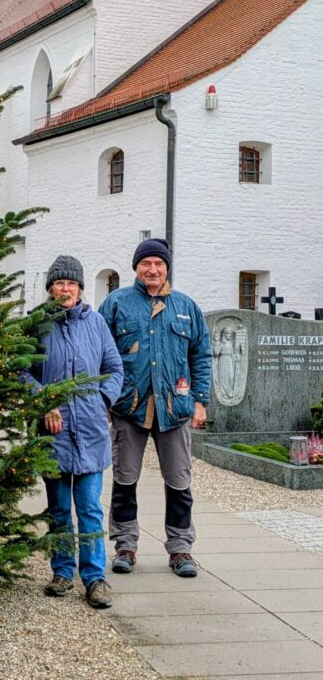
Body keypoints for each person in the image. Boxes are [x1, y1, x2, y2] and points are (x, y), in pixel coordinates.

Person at [98, 238, 211, 579]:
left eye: (158, 263)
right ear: (136, 267)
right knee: (124, 480)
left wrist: (200, 400)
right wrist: (104, 399)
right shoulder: (116, 304)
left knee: (179, 483)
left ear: (167, 267)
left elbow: (201, 355)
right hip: (128, 408)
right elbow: (100, 354)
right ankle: (125, 546)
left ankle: (180, 549)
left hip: (175, 409)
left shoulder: (186, 307)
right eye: (145, 263)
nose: (152, 269)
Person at [22, 255, 123, 609]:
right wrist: (44, 401)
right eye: (59, 283)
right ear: (50, 288)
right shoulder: (37, 325)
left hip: (91, 431)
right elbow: (22, 371)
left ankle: (95, 578)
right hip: (54, 433)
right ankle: (62, 571)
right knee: (60, 508)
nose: (65, 289)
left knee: (90, 509)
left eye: (71, 283)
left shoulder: (96, 324)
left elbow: (115, 368)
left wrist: (102, 399)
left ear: (80, 288)